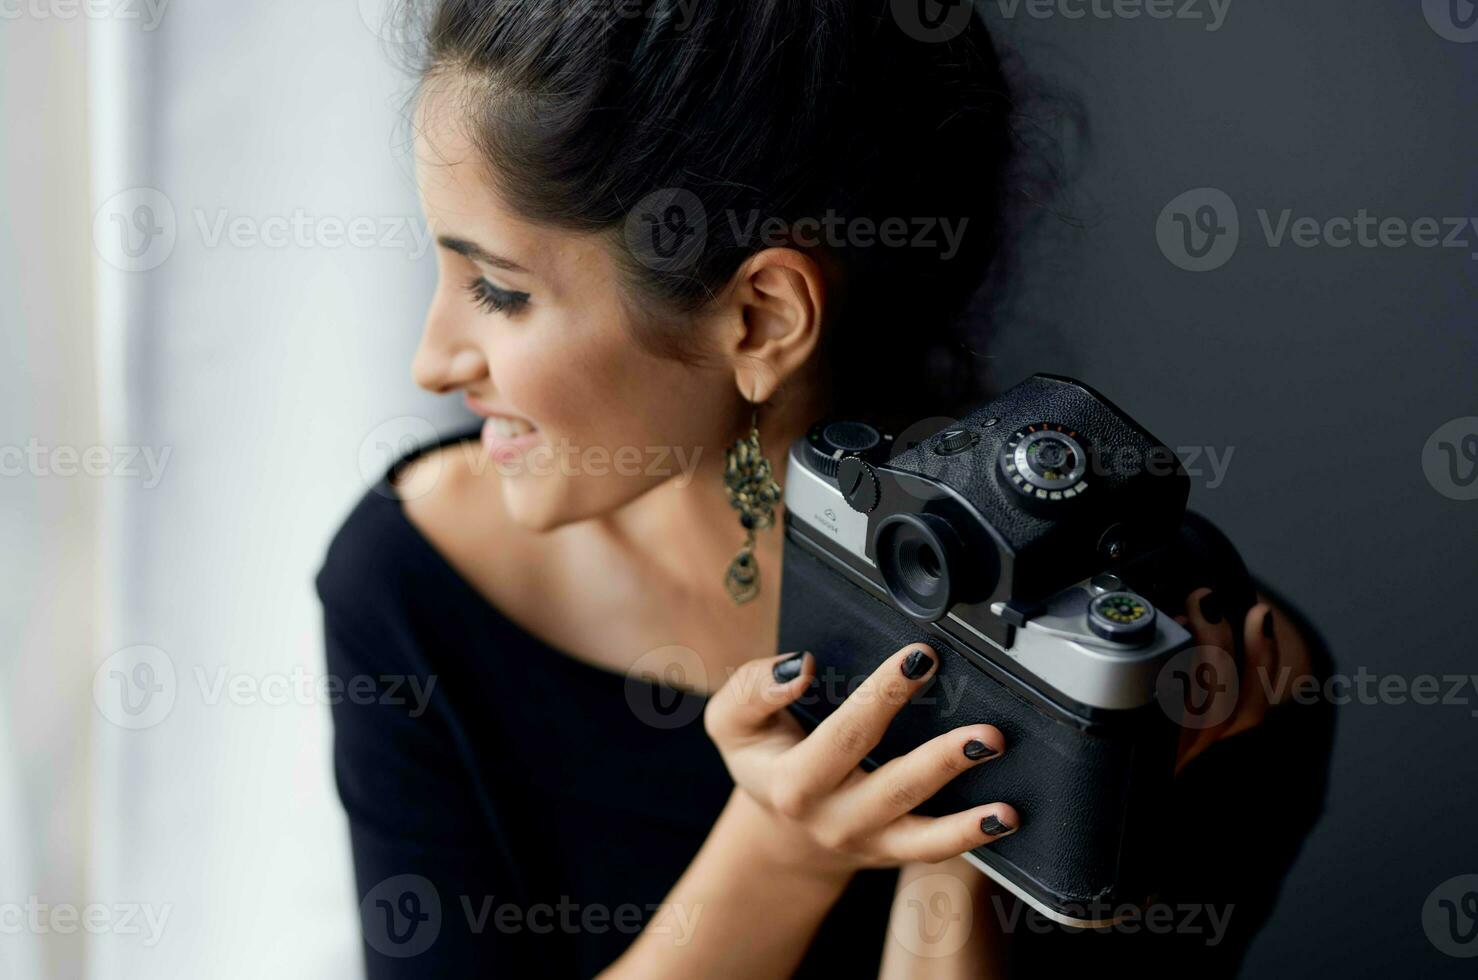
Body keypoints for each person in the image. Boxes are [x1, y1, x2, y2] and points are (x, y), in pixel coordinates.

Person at [316, 1, 1334, 975]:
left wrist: (971, 835)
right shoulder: (411, 582)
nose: (433, 360)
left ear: (760, 319)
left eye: (499, 290)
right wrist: (781, 849)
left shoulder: (1181, 682)